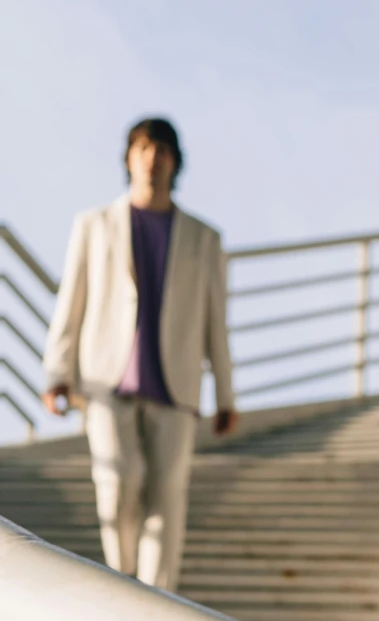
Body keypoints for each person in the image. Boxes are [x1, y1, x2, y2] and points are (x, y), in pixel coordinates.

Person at [42, 117, 237, 592]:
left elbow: (216, 320)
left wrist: (226, 394)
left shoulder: (204, 239)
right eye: (143, 148)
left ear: (176, 161)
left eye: (162, 150)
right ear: (129, 158)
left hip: (175, 384)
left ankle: (159, 601)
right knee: (118, 479)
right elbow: (74, 299)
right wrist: (56, 373)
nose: (153, 158)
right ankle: (123, 578)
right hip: (106, 381)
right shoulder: (94, 225)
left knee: (167, 499)